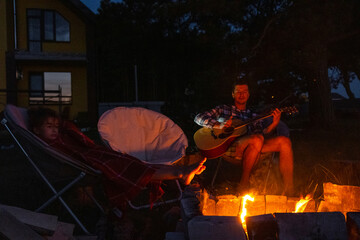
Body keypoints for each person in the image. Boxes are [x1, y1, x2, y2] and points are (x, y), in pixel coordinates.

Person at [28, 107, 206, 209]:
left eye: (56, 126)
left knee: (133, 164)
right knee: (134, 168)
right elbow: (75, 154)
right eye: (49, 126)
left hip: (94, 156)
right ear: (36, 130)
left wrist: (66, 129)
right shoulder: (50, 146)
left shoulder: (60, 137)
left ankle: (181, 171)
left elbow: (81, 143)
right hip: (89, 163)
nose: (54, 129)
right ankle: (179, 173)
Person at [194, 79, 294, 196]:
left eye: (245, 91)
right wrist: (219, 125)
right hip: (230, 147)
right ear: (233, 94)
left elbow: (262, 134)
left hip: (253, 146)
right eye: (238, 92)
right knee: (256, 139)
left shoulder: (253, 115)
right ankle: (244, 184)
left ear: (248, 94)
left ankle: (289, 189)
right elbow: (198, 118)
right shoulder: (224, 109)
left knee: (284, 142)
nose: (242, 94)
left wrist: (273, 124)